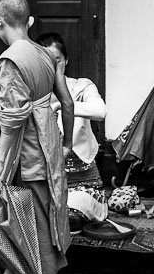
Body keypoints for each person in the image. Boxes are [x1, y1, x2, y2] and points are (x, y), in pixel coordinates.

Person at [0, 0, 76, 274]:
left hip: (27, 151)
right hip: (46, 143)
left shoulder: (10, 61)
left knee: (35, 222)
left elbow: (12, 116)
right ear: (29, 22)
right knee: (17, 217)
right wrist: (67, 143)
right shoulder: (45, 54)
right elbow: (67, 101)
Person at [36, 32, 106, 183]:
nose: (53, 68)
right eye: (45, 62)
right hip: (43, 173)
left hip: (83, 171)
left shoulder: (81, 86)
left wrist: (63, 105)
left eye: (57, 61)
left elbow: (100, 112)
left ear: (66, 60)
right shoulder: (32, 92)